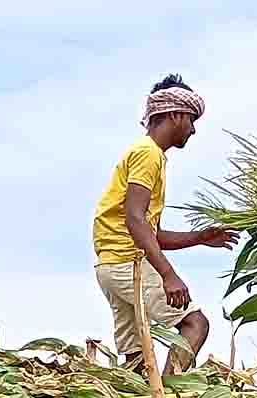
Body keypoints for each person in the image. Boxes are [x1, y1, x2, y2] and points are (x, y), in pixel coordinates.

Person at [92, 75, 236, 373]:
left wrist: (200, 237)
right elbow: (135, 218)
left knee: (136, 360)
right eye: (192, 119)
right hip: (128, 263)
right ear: (174, 115)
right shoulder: (149, 154)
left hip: (109, 267)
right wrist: (168, 274)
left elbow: (149, 231)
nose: (194, 129)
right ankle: (170, 396)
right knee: (195, 324)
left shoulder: (142, 153)